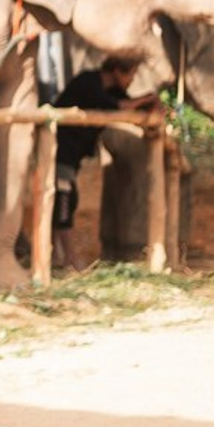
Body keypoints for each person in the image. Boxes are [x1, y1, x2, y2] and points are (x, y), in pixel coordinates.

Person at [51, 55, 159, 271]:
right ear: (118, 70)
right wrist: (144, 99)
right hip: (57, 151)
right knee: (65, 201)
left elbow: (127, 106)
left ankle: (57, 256)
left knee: (65, 200)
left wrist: (152, 105)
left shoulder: (113, 90)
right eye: (131, 74)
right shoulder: (89, 82)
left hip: (72, 156)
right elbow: (115, 106)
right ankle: (68, 257)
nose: (131, 80)